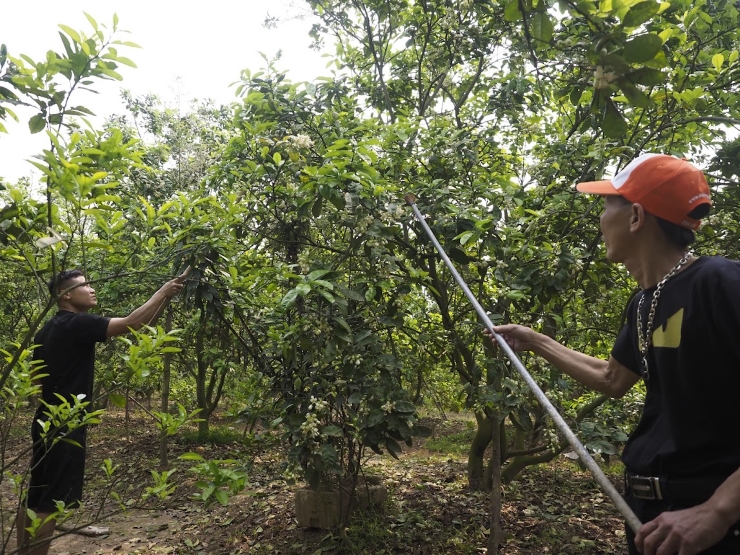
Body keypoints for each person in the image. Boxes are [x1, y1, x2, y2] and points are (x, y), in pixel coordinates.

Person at [486, 153, 740, 555]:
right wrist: (534, 340)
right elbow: (612, 379)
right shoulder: (644, 302)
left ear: (636, 217)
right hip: (653, 513)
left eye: (607, 207)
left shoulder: (721, 283)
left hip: (710, 522)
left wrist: (719, 511)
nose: (600, 220)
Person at [17, 268, 188, 555]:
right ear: (66, 294)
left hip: (46, 420)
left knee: (36, 496)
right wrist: (163, 291)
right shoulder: (76, 324)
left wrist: (164, 299)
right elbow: (132, 323)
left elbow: (36, 380)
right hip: (66, 423)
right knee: (50, 503)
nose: (92, 289)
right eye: (85, 285)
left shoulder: (47, 329)